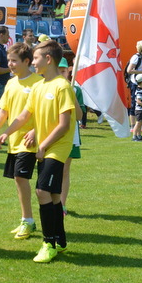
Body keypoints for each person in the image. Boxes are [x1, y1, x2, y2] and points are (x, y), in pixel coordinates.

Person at [0, 41, 74, 263]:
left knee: (42, 192)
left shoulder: (62, 86)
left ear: (48, 59)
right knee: (54, 195)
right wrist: (5, 133)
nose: (34, 62)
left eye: (37, 58)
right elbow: (24, 116)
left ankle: (48, 243)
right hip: (45, 146)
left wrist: (42, 145)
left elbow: (64, 125)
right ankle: (60, 241)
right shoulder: (39, 86)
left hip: (57, 147)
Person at [0, 43, 42, 239]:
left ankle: (28, 220)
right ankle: (26, 219)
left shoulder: (39, 82)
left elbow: (46, 113)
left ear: (26, 61)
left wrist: (36, 131)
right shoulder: (11, 83)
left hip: (30, 141)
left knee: (21, 178)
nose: (10, 64)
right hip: (14, 140)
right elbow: (4, 111)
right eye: (8, 60)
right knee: (18, 180)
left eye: (14, 61)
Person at [58, 56, 82, 215]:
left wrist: (72, 97)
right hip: (50, 135)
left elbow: (79, 115)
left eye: (63, 71)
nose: (61, 74)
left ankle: (62, 204)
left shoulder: (76, 90)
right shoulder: (45, 87)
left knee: (64, 170)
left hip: (71, 136)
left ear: (68, 72)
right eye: (58, 71)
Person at [126, 40, 142, 130]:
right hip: (135, 82)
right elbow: (129, 70)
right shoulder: (136, 57)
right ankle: (133, 125)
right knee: (135, 103)